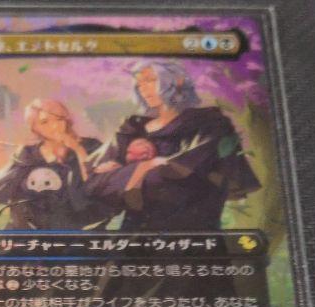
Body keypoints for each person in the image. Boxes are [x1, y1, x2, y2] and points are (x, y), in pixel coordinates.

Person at [89, 59, 260, 231]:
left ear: (178, 81)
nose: (143, 88)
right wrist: (145, 167)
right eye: (139, 84)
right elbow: (94, 183)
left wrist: (126, 176)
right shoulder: (132, 129)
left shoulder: (210, 123)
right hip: (134, 233)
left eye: (150, 80)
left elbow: (183, 176)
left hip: (191, 229)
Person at [0, 99, 112, 229]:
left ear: (67, 120)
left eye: (59, 119)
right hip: (31, 228)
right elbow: (7, 193)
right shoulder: (28, 154)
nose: (55, 126)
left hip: (77, 227)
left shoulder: (91, 146)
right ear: (34, 128)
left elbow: (98, 186)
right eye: (44, 122)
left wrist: (78, 149)